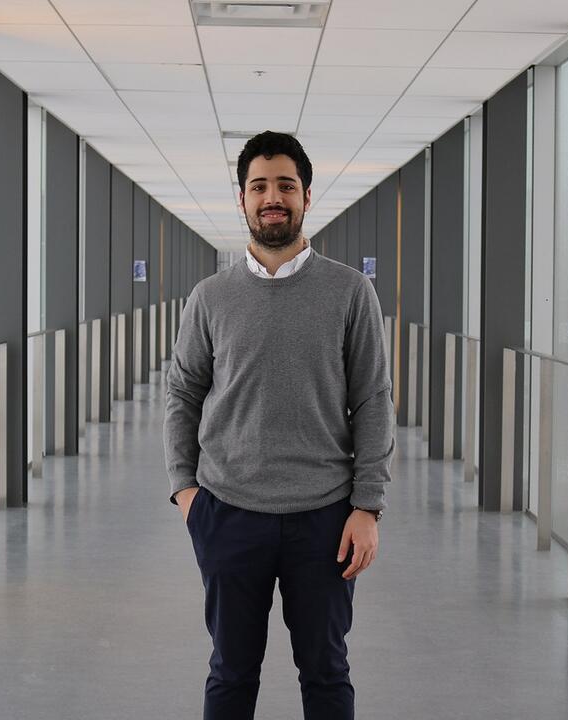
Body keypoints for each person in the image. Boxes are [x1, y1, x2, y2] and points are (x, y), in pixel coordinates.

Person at [164, 130, 395, 720]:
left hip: (325, 519)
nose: (273, 197)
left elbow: (373, 398)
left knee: (325, 673)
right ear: (241, 199)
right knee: (231, 673)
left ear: (306, 196)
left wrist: (367, 506)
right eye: (259, 186)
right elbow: (183, 392)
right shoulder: (209, 297)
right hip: (228, 513)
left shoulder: (350, 291)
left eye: (285, 185)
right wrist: (186, 491)